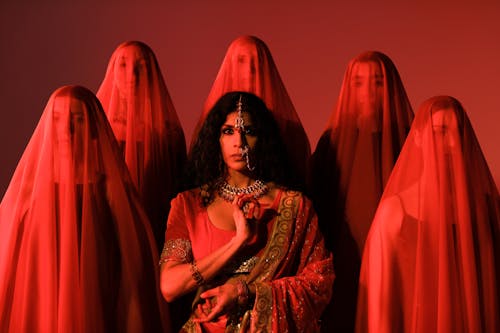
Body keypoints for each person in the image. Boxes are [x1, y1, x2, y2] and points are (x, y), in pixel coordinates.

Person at [0, 86, 170, 332]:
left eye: (77, 120)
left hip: (99, 304)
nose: (66, 130)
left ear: (92, 128)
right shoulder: (30, 190)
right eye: (58, 119)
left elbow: (133, 266)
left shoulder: (111, 189)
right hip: (42, 303)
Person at [160, 91, 334, 332]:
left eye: (248, 132)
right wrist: (237, 243)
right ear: (216, 139)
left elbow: (319, 283)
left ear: (263, 139)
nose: (238, 142)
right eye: (228, 131)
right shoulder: (188, 204)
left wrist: (244, 291)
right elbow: (169, 286)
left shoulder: (294, 206)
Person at [356, 96, 500, 333]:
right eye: (441, 131)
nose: (453, 143)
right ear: (420, 138)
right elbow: (379, 303)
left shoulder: (484, 209)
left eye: (458, 132)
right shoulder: (395, 211)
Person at [308, 51, 414, 332]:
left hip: (399, 261)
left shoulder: (411, 140)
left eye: (377, 82)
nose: (367, 91)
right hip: (342, 262)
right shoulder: (331, 142)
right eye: (358, 82)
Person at [97, 40, 187, 251]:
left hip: (155, 231)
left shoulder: (168, 133)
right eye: (123, 65)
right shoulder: (99, 129)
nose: (132, 75)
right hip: (106, 228)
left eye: (141, 66)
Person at [191, 35, 310, 186]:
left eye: (255, 63)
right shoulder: (212, 122)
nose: (248, 70)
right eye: (241, 61)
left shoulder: (290, 128)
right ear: (230, 67)